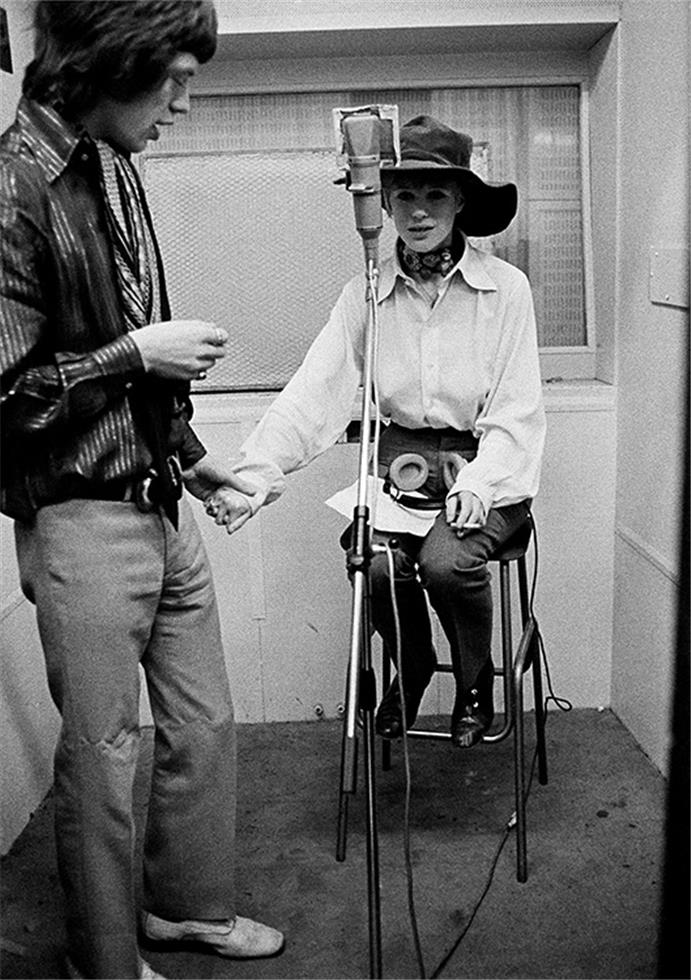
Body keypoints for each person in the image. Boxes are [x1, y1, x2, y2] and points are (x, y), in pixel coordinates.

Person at [0, 3, 284, 978]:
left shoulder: (117, 165)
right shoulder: (12, 183)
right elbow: (7, 395)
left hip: (158, 495)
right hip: (78, 519)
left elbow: (144, 369)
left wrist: (196, 457)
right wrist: (134, 352)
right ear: (111, 63)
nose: (185, 103)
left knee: (202, 721)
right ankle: (105, 961)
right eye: (173, 79)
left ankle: (187, 909)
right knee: (104, 755)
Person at [206, 114, 546, 750]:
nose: (419, 213)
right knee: (376, 563)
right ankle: (412, 665)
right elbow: (315, 394)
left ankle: (476, 682)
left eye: (435, 195)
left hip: (483, 463)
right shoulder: (365, 293)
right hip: (399, 466)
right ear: (384, 203)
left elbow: (517, 410)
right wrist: (250, 479)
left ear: (462, 202)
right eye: (405, 196)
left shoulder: (507, 292)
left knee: (447, 563)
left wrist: (481, 483)